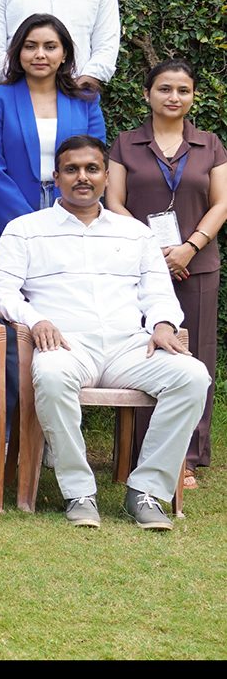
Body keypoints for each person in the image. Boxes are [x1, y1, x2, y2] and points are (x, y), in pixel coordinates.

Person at [0, 136, 211, 530]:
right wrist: (34, 318)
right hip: (66, 343)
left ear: (107, 176)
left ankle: (146, 491)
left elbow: (159, 291)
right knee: (52, 375)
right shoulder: (26, 229)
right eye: (72, 169)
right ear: (56, 177)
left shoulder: (135, 233)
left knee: (193, 377)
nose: (82, 177)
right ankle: (79, 491)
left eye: (92, 169)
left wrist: (162, 323)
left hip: (131, 347)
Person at [106, 59, 227, 485]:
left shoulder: (209, 144)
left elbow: (221, 203)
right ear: (147, 94)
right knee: (143, 351)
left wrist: (189, 247)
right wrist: (152, 250)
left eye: (183, 90)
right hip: (139, 267)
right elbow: (113, 201)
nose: (173, 97)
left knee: (192, 355)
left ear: (193, 95)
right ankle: (140, 450)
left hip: (197, 267)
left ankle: (187, 456)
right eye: (164, 89)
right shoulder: (125, 144)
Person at [0, 14, 106, 264]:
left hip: (72, 213)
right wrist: (29, 226)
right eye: (30, 46)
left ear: (64, 54)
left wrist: (65, 217)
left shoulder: (86, 102)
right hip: (8, 217)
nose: (40, 54)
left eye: (50, 47)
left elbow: (95, 163)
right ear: (18, 53)